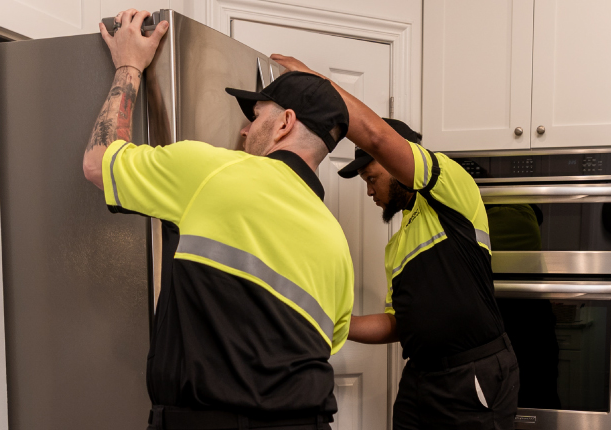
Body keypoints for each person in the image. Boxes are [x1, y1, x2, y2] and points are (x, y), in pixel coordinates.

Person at [80, 10, 354, 430]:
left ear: (285, 123)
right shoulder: (337, 242)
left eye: (256, 116)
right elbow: (319, 343)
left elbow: (98, 163)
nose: (245, 131)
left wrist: (128, 66)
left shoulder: (214, 172)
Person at [271, 55, 520, 429]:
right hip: (421, 376)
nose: (370, 191)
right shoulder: (398, 245)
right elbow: (397, 323)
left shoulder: (450, 188)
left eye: (372, 178)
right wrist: (330, 322)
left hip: (472, 373)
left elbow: (377, 138)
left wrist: (316, 83)